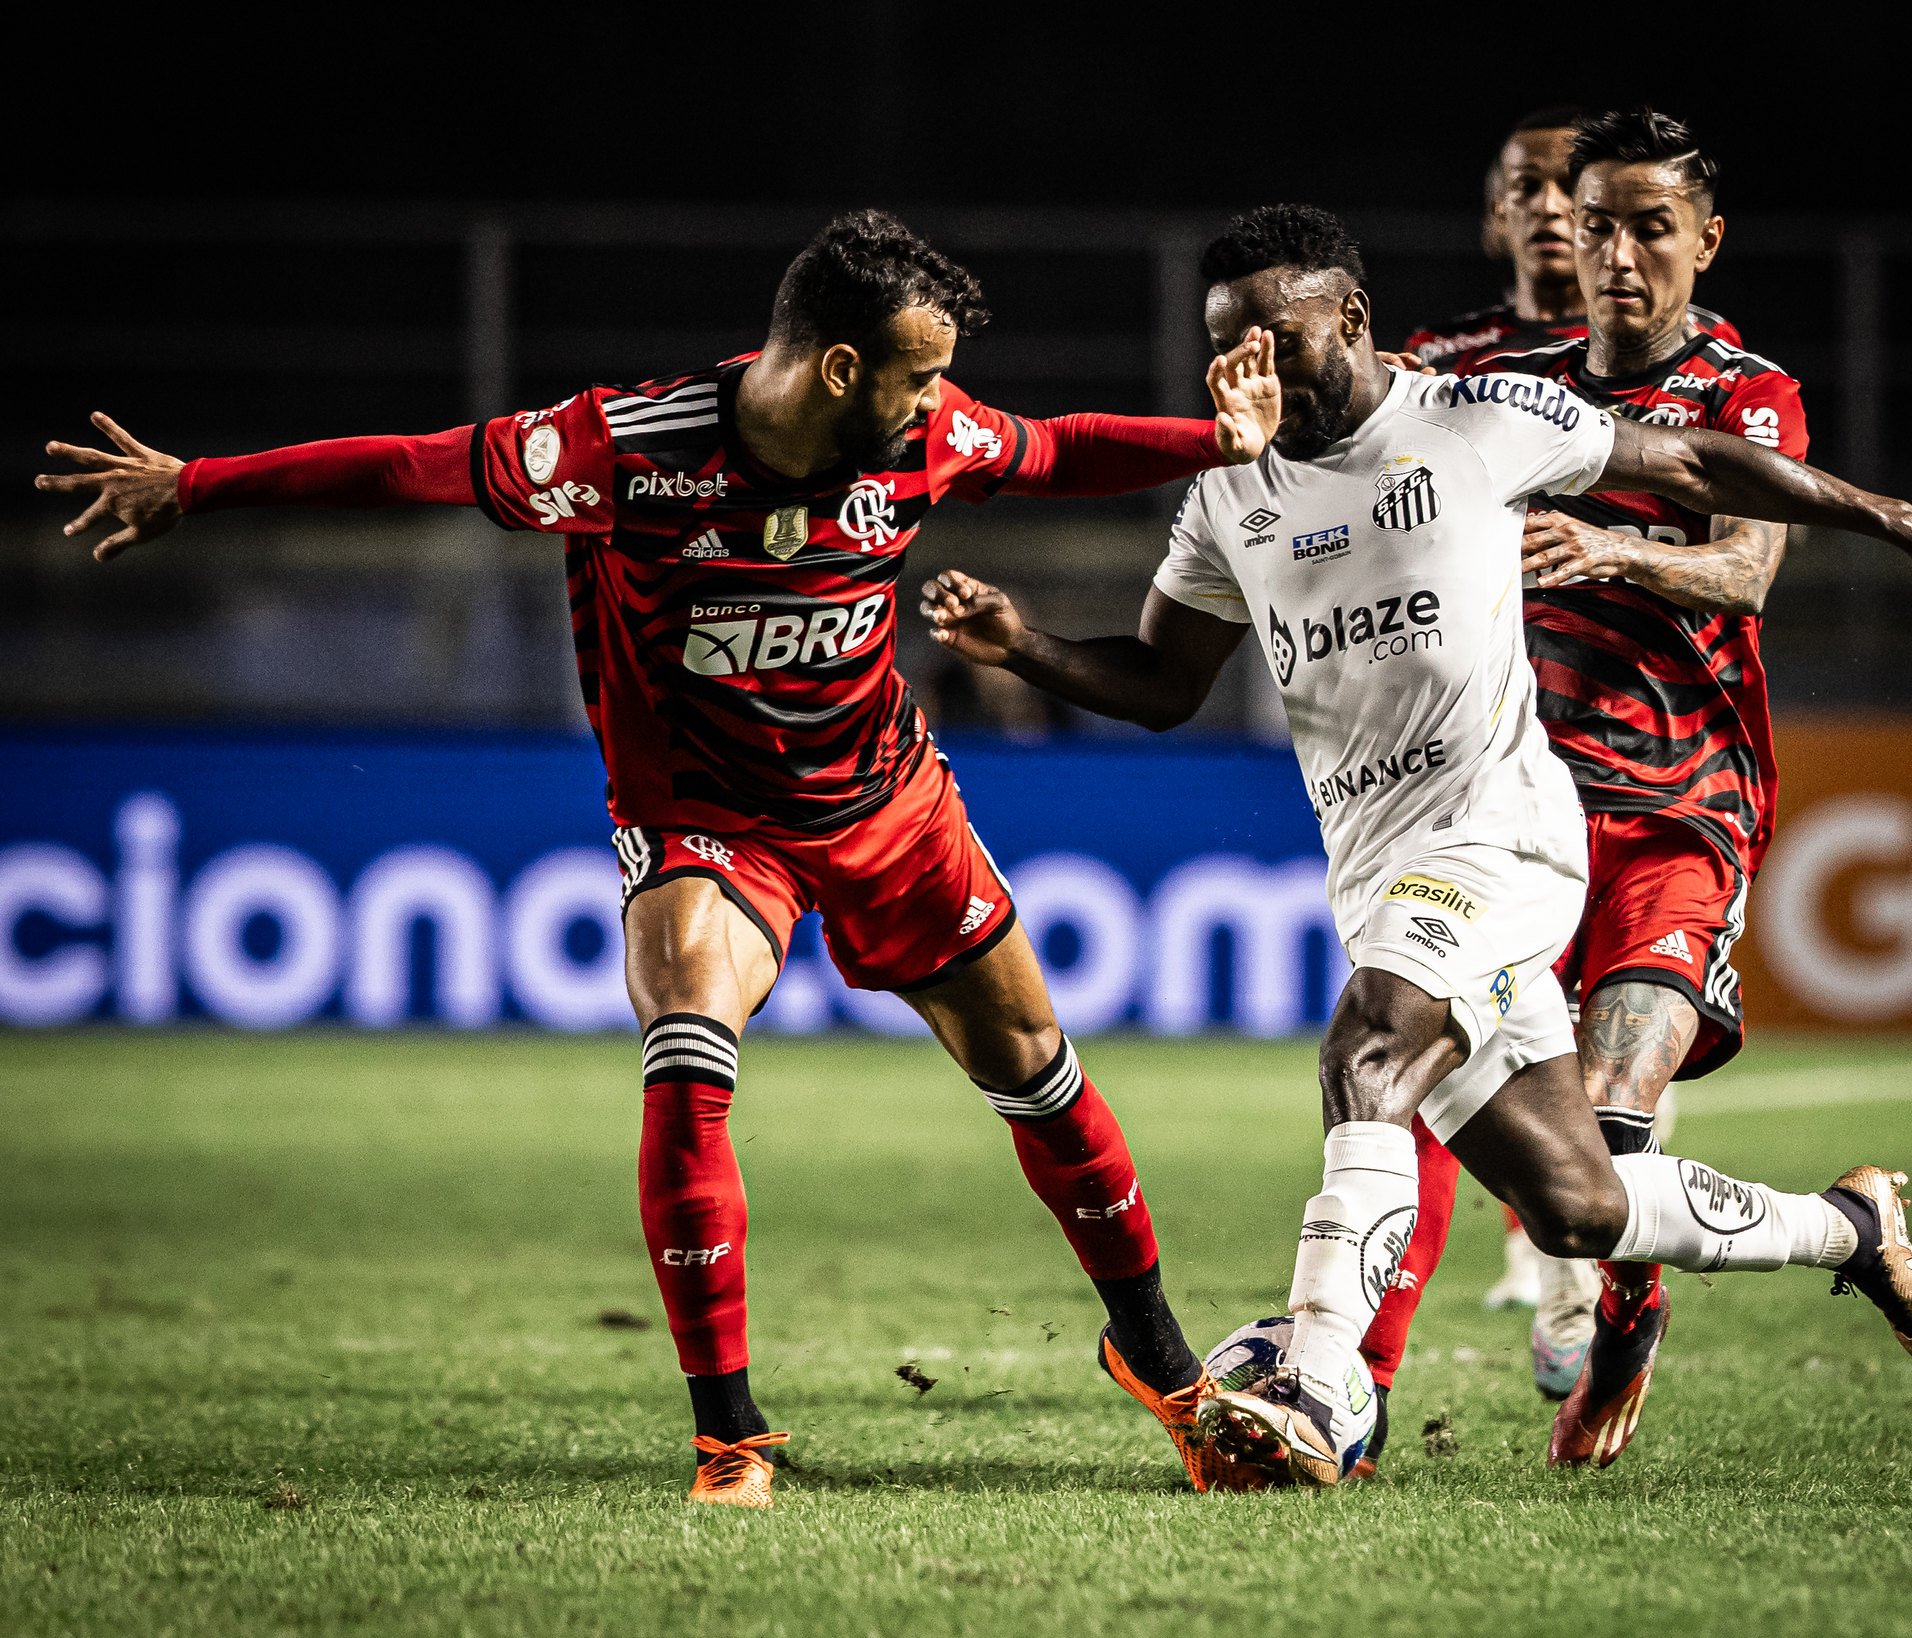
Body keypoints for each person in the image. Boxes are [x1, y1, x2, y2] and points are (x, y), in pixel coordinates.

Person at [36, 210, 1283, 1508]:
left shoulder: (926, 436)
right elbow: (414, 466)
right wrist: (198, 485)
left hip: (888, 800)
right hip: (709, 817)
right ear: (841, 369)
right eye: (917, 380)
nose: (939, 408)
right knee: (688, 1047)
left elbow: (1061, 451)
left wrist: (1219, 442)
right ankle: (729, 1438)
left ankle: (1163, 1367)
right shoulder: (624, 451)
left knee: (1037, 1066)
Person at [919, 203, 1912, 1490]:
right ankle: (1848, 1226)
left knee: (1366, 1045)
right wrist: (1021, 644)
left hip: (1500, 836)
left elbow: (1695, 467)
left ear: (1353, 320)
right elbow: (1162, 681)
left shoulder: (1474, 420)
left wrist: (1894, 522)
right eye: (1226, 347)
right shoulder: (1228, 491)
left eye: (1277, 336)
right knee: (1579, 1204)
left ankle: (1320, 1391)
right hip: (1376, 871)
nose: (1252, 370)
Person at [1364, 105, 1834, 1465]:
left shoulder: (1748, 393)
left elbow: (1747, 569)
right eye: (1598, 224)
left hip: (1684, 805)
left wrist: (1611, 553)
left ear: (1706, 240)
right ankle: (1360, 1385)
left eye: (1649, 227)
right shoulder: (1518, 392)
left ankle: (1625, 1304)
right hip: (1516, 811)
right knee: (1422, 1076)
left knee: (1610, 1132)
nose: (1615, 252)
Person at [1405, 106, 1741, 376]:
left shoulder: (1699, 335)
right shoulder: (1436, 351)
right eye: (1527, 186)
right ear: (1499, 214)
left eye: (1570, 187)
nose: (1548, 206)